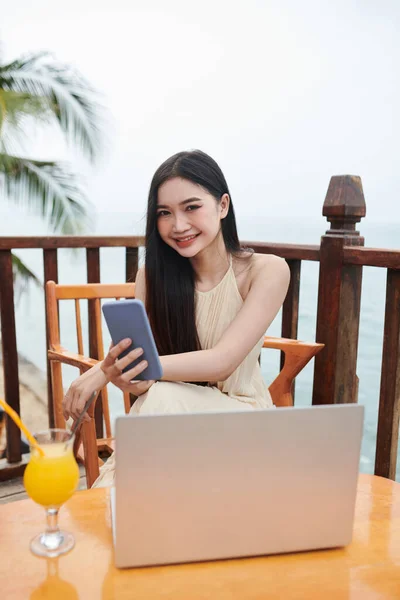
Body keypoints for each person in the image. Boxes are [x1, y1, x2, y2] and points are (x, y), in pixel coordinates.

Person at [62, 150, 290, 487]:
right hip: (173, 422)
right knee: (160, 398)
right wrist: (128, 377)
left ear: (222, 206)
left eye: (191, 207)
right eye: (165, 213)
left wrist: (103, 372)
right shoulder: (152, 278)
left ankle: (114, 505)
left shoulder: (266, 270)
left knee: (162, 401)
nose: (178, 225)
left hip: (244, 424)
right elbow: (144, 387)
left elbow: (222, 362)